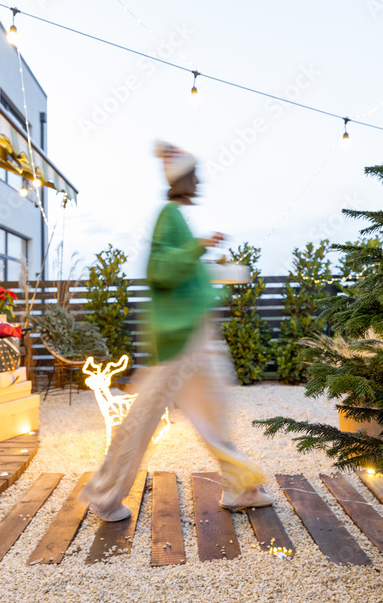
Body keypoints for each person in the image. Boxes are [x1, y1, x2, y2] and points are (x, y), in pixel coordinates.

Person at [80, 140, 274, 522]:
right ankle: (104, 495)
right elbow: (162, 271)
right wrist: (198, 247)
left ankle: (241, 488)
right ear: (182, 178)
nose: (201, 180)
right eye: (195, 174)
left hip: (195, 332)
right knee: (147, 416)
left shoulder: (178, 217)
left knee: (213, 411)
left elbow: (183, 273)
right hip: (180, 338)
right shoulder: (169, 214)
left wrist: (209, 263)